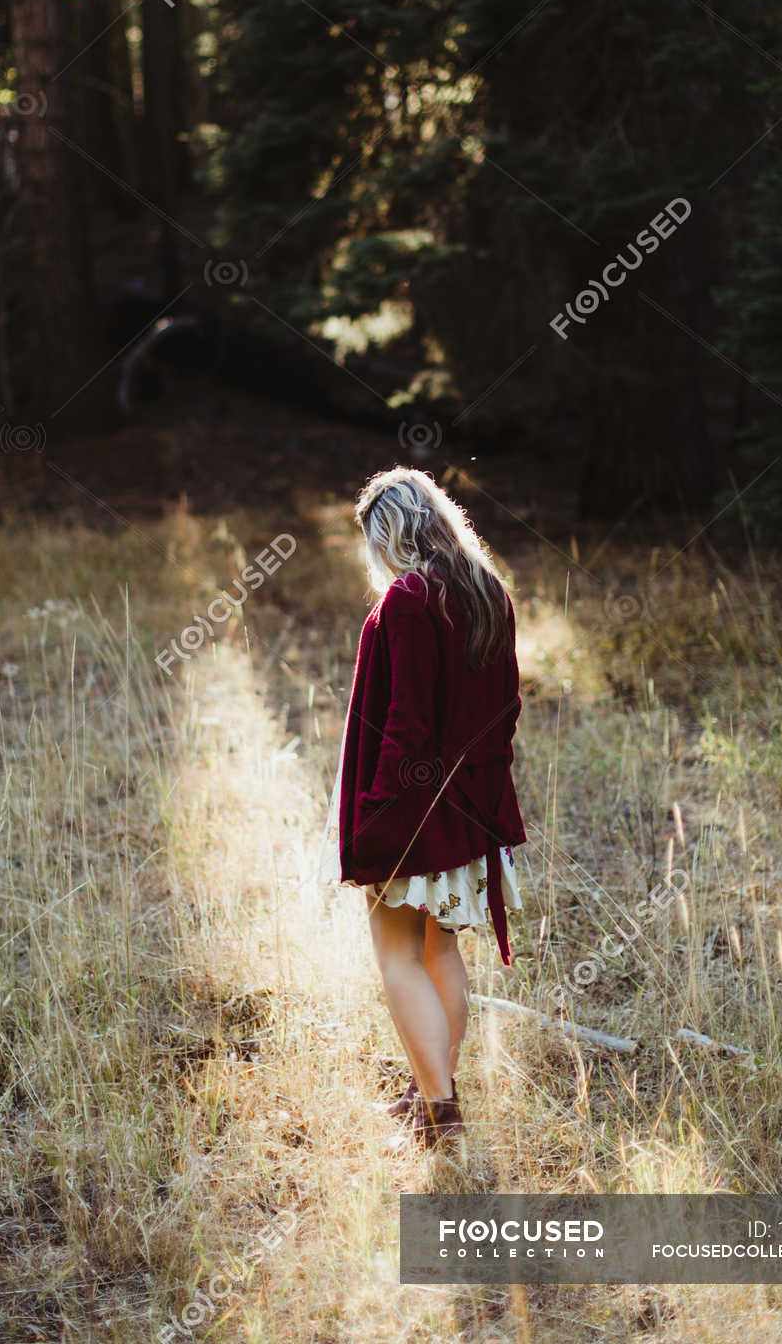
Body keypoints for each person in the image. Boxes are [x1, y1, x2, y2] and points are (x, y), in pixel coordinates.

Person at [317, 466, 528, 1149]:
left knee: (399, 956)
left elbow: (406, 724)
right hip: (468, 814)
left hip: (414, 816)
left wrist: (378, 817)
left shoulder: (410, 600)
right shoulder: (487, 591)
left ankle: (440, 1111)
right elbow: (507, 712)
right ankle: (430, 1091)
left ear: (389, 534)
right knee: (440, 953)